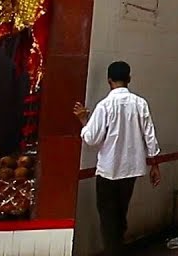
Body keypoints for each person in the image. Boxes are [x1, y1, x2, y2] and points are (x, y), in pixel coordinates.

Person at [73, 61, 161, 256]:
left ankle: (114, 250)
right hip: (131, 170)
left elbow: (91, 138)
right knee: (121, 212)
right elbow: (150, 136)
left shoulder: (104, 106)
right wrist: (155, 166)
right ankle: (118, 246)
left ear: (109, 81)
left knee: (107, 216)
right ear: (129, 79)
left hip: (108, 170)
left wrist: (83, 120)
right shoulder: (140, 103)